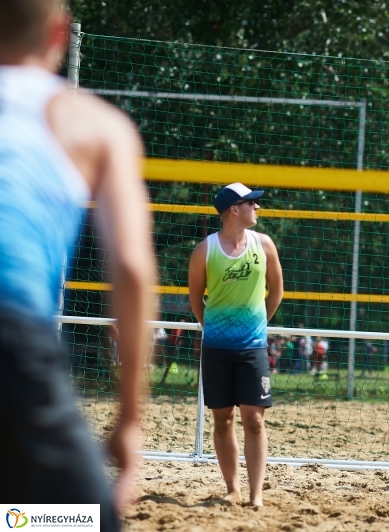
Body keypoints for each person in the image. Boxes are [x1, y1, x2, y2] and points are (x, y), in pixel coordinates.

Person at [0, 1, 156, 529]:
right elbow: (133, 270)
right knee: (80, 519)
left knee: (16, 517)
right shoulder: (91, 122)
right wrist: (129, 420)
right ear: (59, 31)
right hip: (12, 338)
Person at [188, 182, 284, 506]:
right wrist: (214, 328)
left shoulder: (265, 245)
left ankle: (256, 495)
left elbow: (277, 291)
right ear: (234, 209)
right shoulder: (205, 250)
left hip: (253, 347)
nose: (257, 207)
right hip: (216, 348)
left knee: (254, 420)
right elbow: (195, 299)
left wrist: (258, 324)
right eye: (251, 203)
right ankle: (233, 489)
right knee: (222, 419)